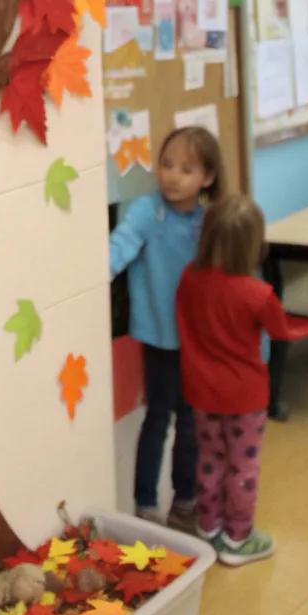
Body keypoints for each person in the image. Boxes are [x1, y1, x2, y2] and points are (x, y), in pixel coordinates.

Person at [109, 126, 224, 530]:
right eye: (167, 164)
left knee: (191, 425)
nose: (172, 175)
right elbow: (119, 247)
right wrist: (93, 275)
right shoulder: (146, 211)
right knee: (157, 419)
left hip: (198, 343)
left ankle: (185, 502)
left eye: (186, 169)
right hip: (158, 338)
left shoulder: (211, 221)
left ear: (207, 178)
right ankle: (144, 504)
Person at [176, 194, 291, 566]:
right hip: (245, 398)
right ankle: (238, 537)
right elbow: (280, 330)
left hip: (202, 392)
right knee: (243, 467)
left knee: (210, 457)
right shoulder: (259, 294)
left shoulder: (189, 280)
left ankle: (209, 525)